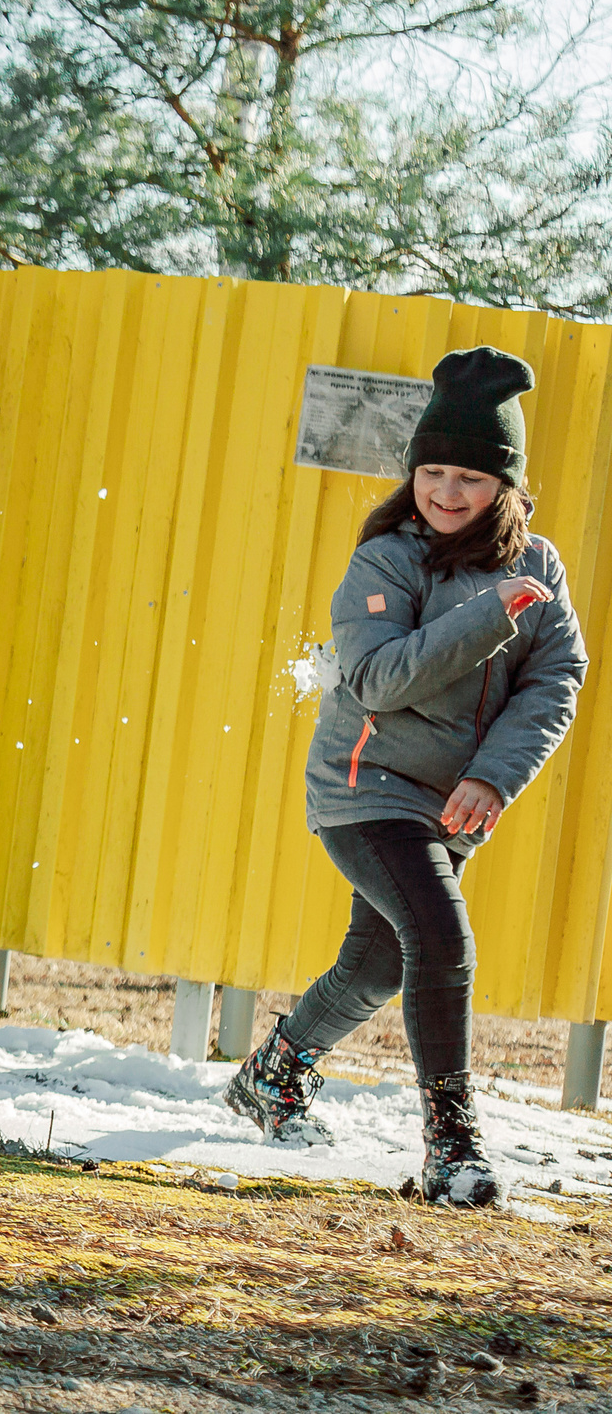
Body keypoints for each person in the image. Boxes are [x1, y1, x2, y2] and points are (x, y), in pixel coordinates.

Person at [227, 346, 584, 1206]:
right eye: (433, 471)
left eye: (470, 474)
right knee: (442, 936)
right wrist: (485, 618)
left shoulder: (538, 565)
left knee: (382, 960)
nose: (448, 491)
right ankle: (451, 1147)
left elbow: (555, 678)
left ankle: (271, 1075)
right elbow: (379, 677)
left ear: (507, 482)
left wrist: (495, 778)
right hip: (365, 787)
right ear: (413, 472)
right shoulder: (387, 558)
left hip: (453, 800)